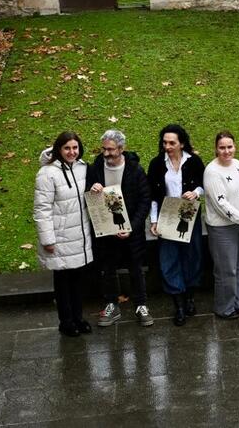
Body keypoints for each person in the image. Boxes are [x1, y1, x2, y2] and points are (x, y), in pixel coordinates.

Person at [86, 129, 153, 327]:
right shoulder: (96, 168)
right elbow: (88, 193)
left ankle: (141, 305)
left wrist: (132, 227)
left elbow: (145, 200)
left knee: (136, 269)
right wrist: (92, 188)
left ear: (121, 149)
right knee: (108, 269)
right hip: (106, 230)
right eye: (104, 149)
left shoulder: (135, 169)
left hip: (132, 231)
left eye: (111, 149)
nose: (106, 153)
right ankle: (111, 305)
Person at [33, 131, 95, 337]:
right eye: (67, 148)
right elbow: (42, 209)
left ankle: (78, 318)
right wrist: (47, 240)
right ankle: (66, 321)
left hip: (79, 235)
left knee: (78, 280)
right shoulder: (47, 173)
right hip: (59, 236)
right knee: (62, 281)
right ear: (59, 149)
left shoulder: (82, 168)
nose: (71, 152)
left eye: (75, 147)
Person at [147, 124, 205, 327]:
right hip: (168, 215)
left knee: (192, 257)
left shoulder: (193, 161)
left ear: (181, 143)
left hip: (189, 214)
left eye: (172, 143)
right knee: (169, 259)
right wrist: (154, 220)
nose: (168, 146)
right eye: (165, 143)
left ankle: (189, 297)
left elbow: (204, 184)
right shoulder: (157, 164)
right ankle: (178, 304)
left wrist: (195, 193)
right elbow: (153, 195)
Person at [204, 130, 239, 319]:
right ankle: (225, 308)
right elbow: (221, 204)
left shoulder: (237, 164)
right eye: (222, 148)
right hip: (223, 227)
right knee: (226, 270)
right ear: (216, 149)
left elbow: (238, 190)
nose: (226, 151)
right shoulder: (212, 171)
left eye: (229, 147)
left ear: (235, 147)